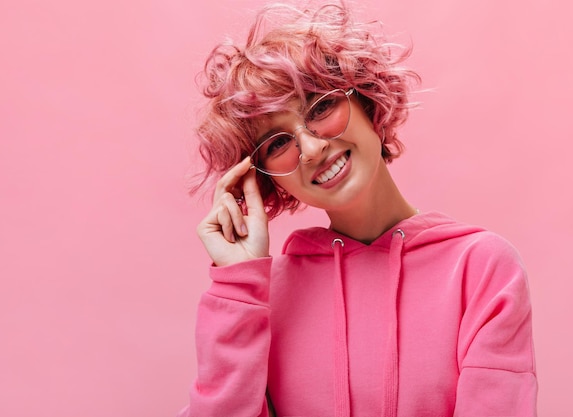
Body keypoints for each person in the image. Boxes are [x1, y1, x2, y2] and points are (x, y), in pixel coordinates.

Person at [178, 1, 538, 416]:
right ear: (263, 177)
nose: (311, 149)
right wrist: (237, 287)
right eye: (277, 143)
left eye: (320, 108)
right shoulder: (265, 295)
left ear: (366, 100)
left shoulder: (480, 267)